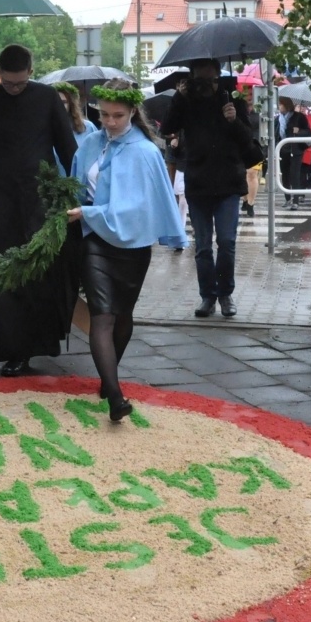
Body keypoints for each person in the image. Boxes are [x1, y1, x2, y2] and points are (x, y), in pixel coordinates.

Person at [68, 80, 186, 422]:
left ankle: (109, 378)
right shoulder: (90, 143)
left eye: (117, 115)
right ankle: (115, 396)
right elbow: (74, 186)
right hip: (94, 240)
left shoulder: (146, 152)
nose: (109, 122)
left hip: (132, 246)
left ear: (133, 112)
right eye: (103, 114)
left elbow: (140, 207)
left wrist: (88, 211)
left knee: (122, 316)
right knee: (102, 316)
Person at [0, 44, 80, 376]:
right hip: (0, 199)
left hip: (38, 199)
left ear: (31, 71)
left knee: (34, 275)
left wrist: (75, 192)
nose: (14, 88)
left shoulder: (46, 98)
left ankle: (26, 348)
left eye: (20, 82)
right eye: (8, 82)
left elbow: (68, 149)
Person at [160, 58, 255, 318]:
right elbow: (166, 129)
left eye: (212, 79)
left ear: (219, 77)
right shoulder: (186, 100)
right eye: (200, 79)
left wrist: (234, 120)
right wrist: (179, 97)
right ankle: (208, 296)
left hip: (228, 183)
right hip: (198, 183)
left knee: (226, 241)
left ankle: (225, 294)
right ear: (192, 78)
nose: (207, 85)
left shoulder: (231, 99)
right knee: (202, 246)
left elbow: (248, 139)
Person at [277, 97, 311, 209]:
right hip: (283, 149)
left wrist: (299, 132)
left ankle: (296, 200)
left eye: (280, 104)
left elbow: (309, 132)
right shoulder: (278, 119)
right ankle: (287, 198)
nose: (279, 107)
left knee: (295, 174)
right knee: (285, 174)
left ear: (286, 105)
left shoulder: (299, 117)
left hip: (295, 149)